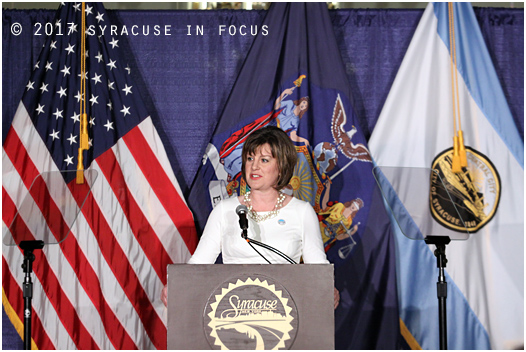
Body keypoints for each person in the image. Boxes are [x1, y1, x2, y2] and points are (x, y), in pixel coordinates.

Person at [162, 126, 339, 307]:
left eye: (264, 160)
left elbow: (318, 267)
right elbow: (199, 263)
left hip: (285, 310)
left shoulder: (302, 211)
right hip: (232, 308)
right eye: (249, 158)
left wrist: (327, 289)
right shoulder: (225, 210)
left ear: (282, 166)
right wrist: (177, 285)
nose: (254, 166)